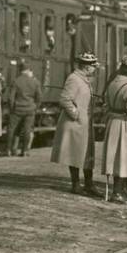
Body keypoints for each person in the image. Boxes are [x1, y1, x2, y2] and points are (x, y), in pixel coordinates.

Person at [50, 52, 102, 198]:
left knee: (87, 153)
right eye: (93, 66)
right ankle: (76, 184)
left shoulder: (84, 79)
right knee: (75, 154)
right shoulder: (74, 79)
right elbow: (64, 99)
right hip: (76, 123)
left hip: (85, 123)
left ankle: (89, 184)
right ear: (86, 66)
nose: (94, 69)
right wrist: (76, 114)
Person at [100, 53, 127, 204]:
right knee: (123, 158)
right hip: (125, 125)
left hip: (113, 122)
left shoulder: (112, 83)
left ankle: (117, 191)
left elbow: (106, 104)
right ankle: (117, 193)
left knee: (114, 157)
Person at [7, 60, 41, 157]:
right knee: (27, 130)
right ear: (28, 70)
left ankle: (9, 150)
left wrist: (12, 108)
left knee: (11, 129)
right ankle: (25, 151)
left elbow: (11, 98)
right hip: (30, 110)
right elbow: (39, 97)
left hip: (17, 109)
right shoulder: (35, 82)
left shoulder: (16, 81)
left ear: (20, 70)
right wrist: (35, 107)